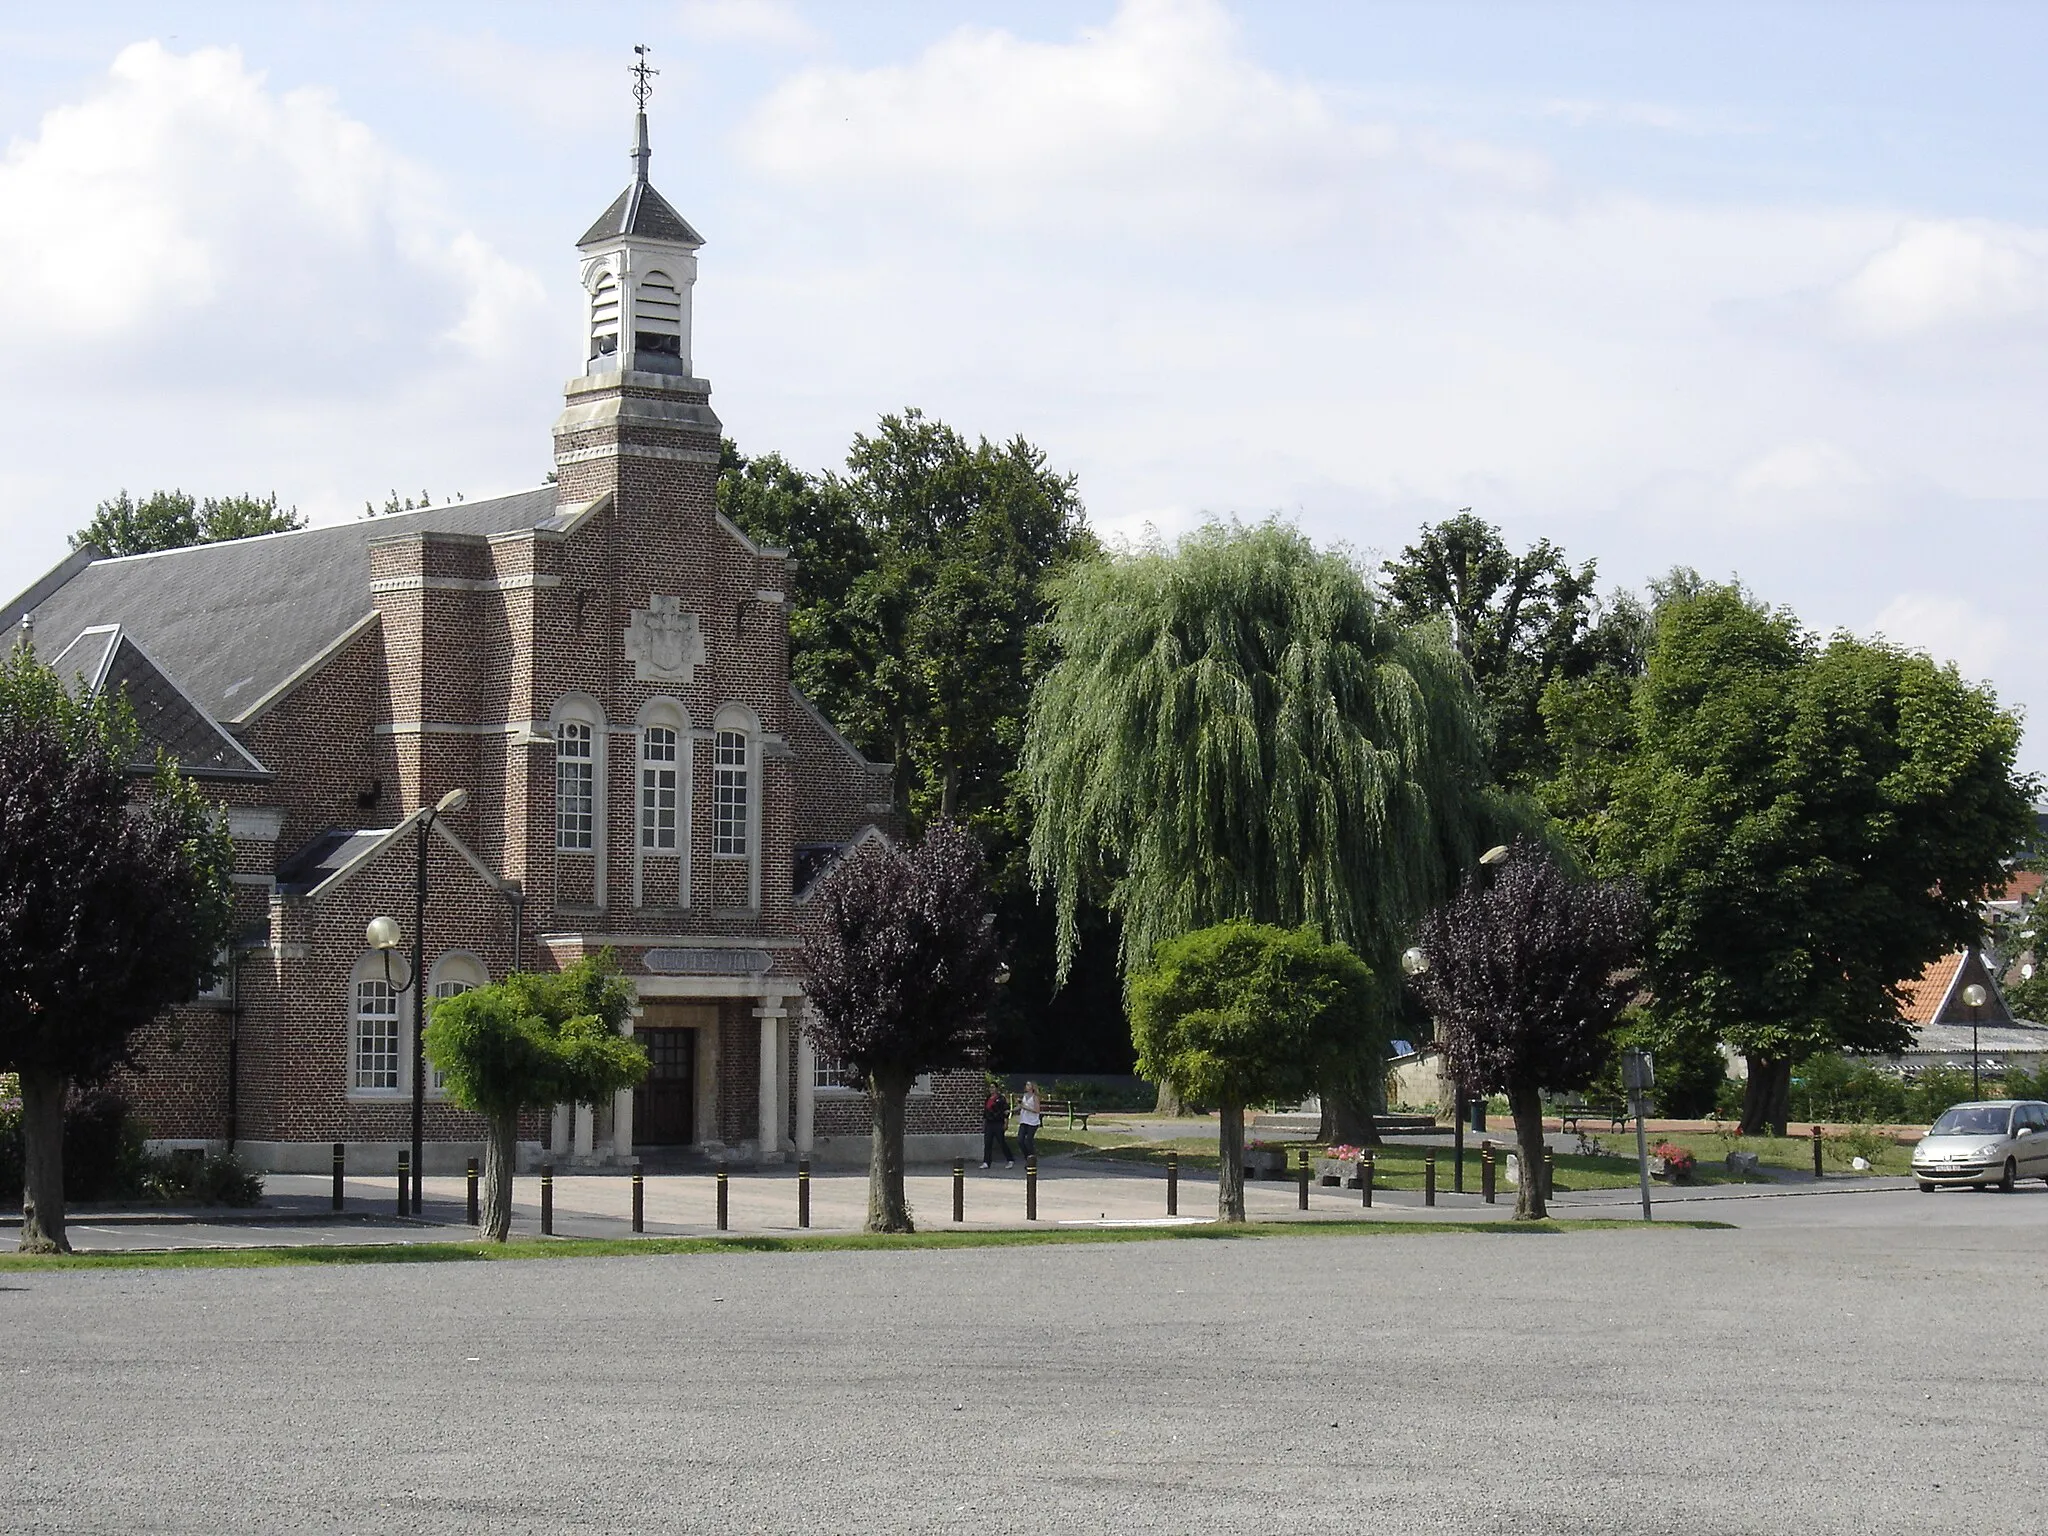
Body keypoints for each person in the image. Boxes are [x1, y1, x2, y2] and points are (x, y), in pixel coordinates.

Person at [981, 1086, 1013, 1169]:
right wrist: (984, 1123)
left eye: (993, 1087)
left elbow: (1005, 1111)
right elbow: (985, 1112)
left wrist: (1006, 1122)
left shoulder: (1001, 1099)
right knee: (987, 1143)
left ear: (996, 1089)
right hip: (989, 1123)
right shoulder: (988, 1098)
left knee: (1001, 1142)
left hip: (998, 1122)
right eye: (990, 1088)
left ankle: (1010, 1159)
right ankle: (986, 1162)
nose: (991, 1089)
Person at [1018, 1080, 1044, 1161]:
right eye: (1026, 1085)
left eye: (1028, 1085)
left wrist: (1025, 1107)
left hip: (1032, 1122)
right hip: (1024, 1120)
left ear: (1032, 1087)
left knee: (1028, 1140)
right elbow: (1021, 1106)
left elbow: (1037, 1110)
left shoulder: (1035, 1097)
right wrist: (1012, 1110)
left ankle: (1031, 1157)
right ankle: (1027, 1157)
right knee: (1020, 1140)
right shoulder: (1025, 1095)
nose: (1026, 1086)